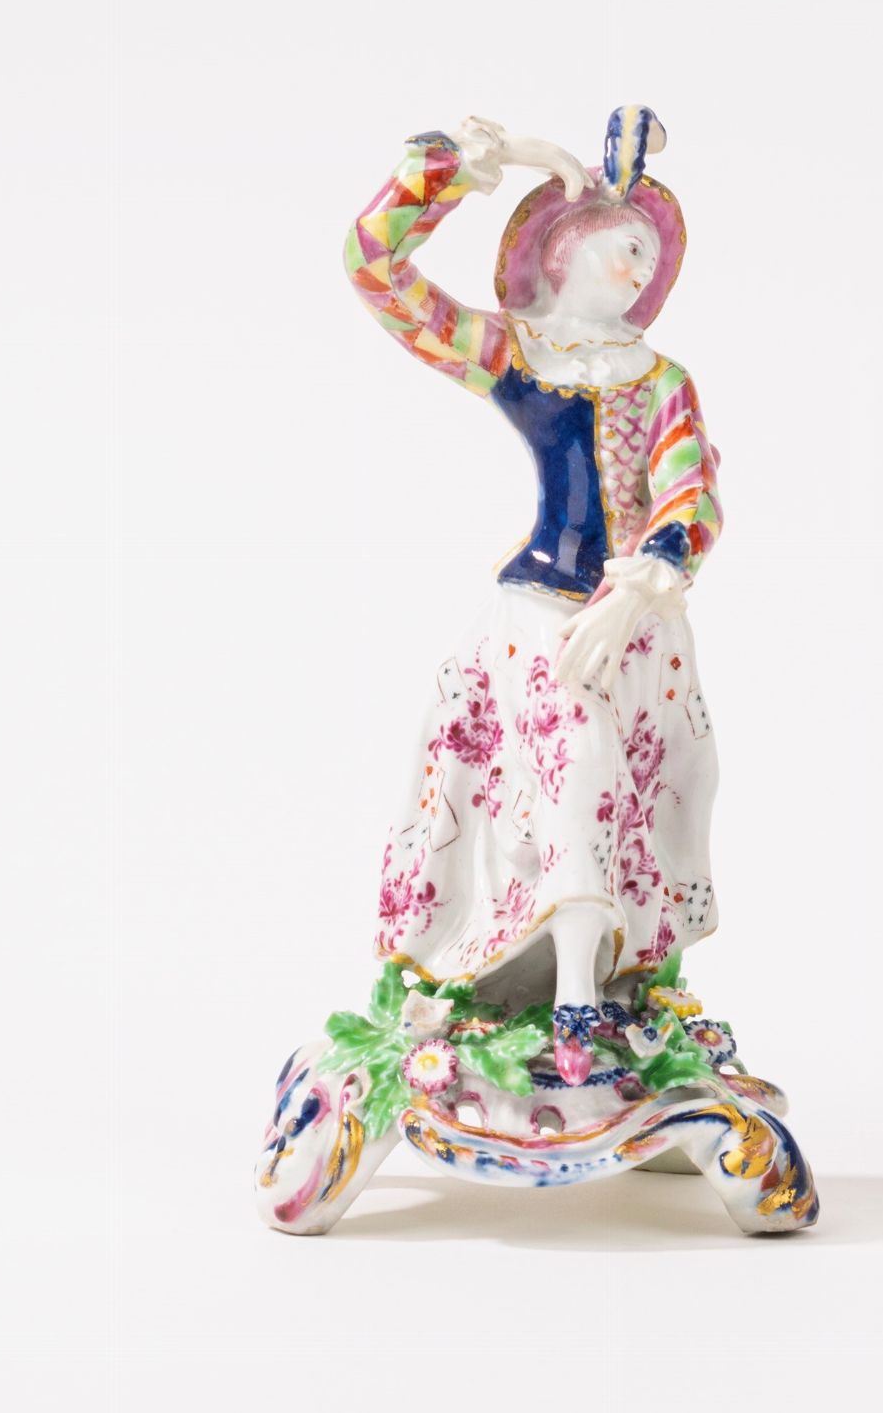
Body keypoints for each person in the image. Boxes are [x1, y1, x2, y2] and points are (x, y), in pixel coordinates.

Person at [341, 106, 723, 1085]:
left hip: (636, 622)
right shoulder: (517, 350)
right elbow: (375, 270)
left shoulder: (661, 380)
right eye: (622, 245)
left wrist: (645, 585)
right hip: (542, 612)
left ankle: (620, 986)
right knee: (576, 766)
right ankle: (574, 1002)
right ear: (563, 247)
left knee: (666, 792)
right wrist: (462, 169)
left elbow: (690, 493)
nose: (638, 269)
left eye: (651, 256)